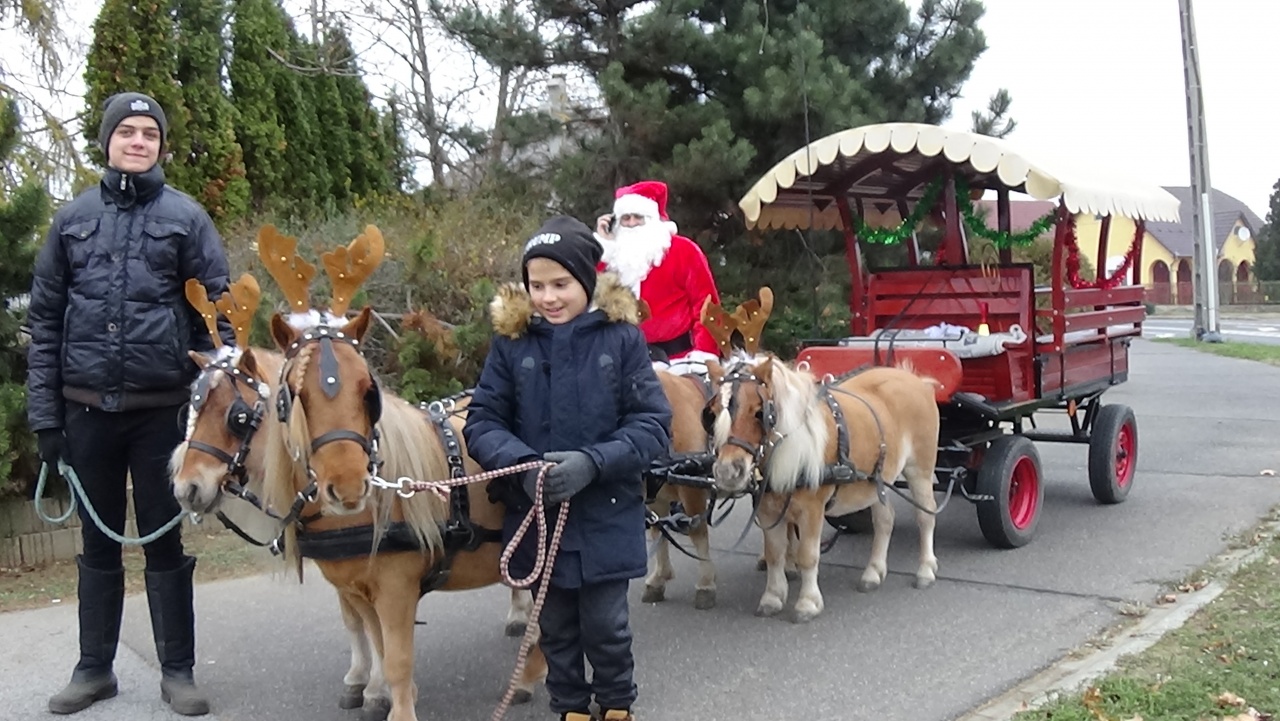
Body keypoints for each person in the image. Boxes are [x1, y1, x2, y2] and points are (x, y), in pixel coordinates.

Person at [27, 91, 234, 716]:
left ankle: (178, 671)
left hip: (162, 415)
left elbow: (216, 326)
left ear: (161, 146)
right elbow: (45, 324)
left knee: (164, 543)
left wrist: (209, 414)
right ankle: (94, 670)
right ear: (108, 141)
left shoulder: (187, 218)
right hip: (86, 412)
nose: (139, 141)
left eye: (150, 133)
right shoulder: (71, 220)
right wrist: (46, 421)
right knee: (96, 545)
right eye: (127, 132)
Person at [463, 216, 672, 721]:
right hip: (537, 513)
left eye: (560, 285)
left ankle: (618, 701)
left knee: (606, 624)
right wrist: (521, 465)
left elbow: (652, 423)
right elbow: (483, 420)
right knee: (554, 625)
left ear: (585, 280)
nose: (548, 297)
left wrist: (593, 463)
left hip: (606, 509)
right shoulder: (512, 345)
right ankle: (572, 707)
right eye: (537, 285)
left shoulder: (621, 340)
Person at [594, 180, 723, 372]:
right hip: (623, 362)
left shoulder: (683, 251)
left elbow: (707, 307)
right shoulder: (611, 256)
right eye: (625, 218)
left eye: (638, 217)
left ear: (653, 219)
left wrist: (703, 356)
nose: (631, 224)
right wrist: (603, 246)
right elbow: (589, 297)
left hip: (678, 363)